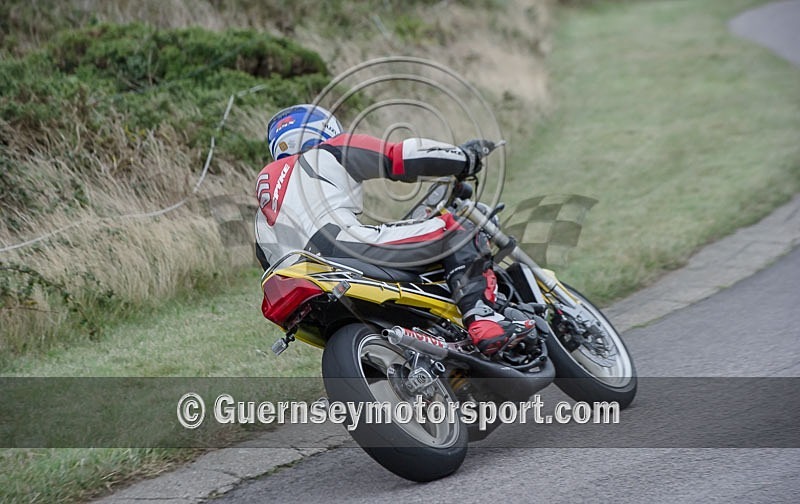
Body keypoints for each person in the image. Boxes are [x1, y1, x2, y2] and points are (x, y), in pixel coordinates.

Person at [254, 104, 534, 355]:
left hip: (297, 284)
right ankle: (484, 317)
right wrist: (464, 157)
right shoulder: (328, 151)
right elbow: (399, 156)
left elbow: (266, 260)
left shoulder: (262, 210)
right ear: (325, 128)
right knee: (458, 230)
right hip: (342, 248)